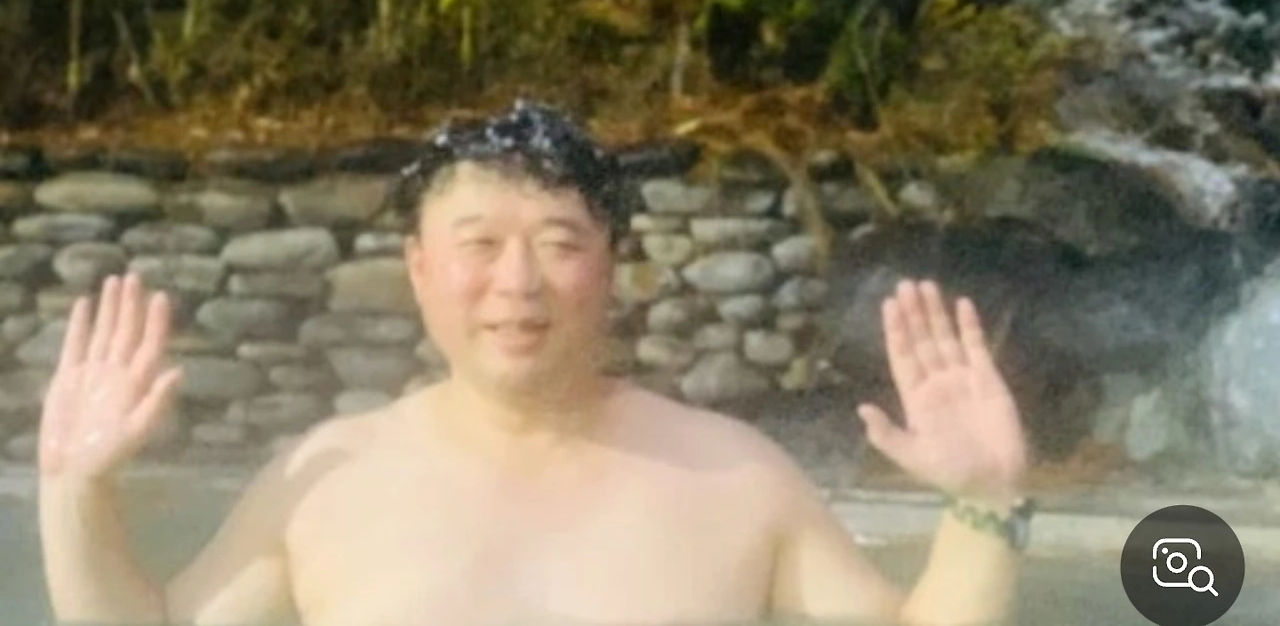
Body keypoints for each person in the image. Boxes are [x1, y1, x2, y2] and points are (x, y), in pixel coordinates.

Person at [39, 99, 1032, 626]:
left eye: (559, 243)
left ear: (610, 266)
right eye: (478, 244)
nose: (517, 281)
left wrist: (984, 505)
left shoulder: (731, 479)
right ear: (419, 269)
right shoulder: (324, 483)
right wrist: (74, 491)